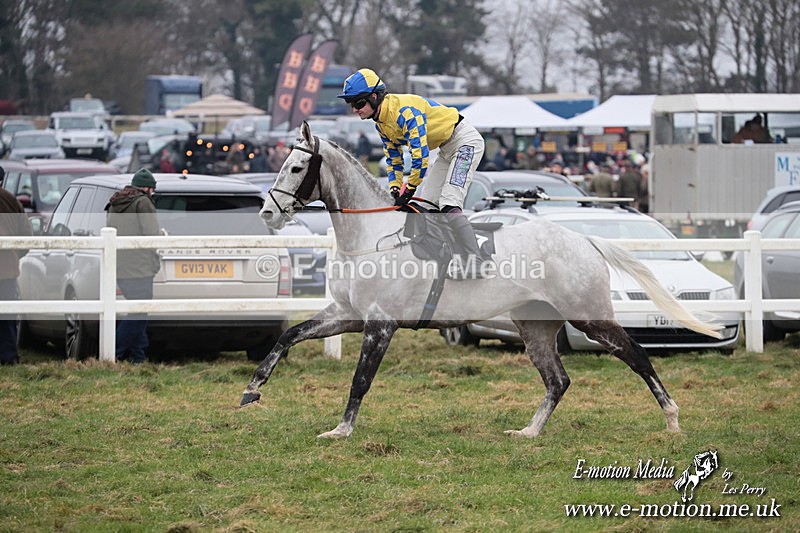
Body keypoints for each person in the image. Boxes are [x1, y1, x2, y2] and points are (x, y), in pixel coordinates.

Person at [337, 67, 488, 278]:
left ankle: (476, 262)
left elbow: (420, 155)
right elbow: (394, 159)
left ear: (374, 96)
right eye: (351, 104)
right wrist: (395, 188)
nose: (355, 109)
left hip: (466, 143)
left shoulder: (405, 112)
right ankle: (449, 254)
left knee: (449, 202)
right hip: (446, 149)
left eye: (359, 103)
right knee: (426, 204)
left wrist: (410, 187)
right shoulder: (381, 123)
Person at [105, 168, 161, 364]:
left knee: (138, 312)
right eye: (152, 189)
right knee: (140, 311)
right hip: (140, 267)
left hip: (119, 265)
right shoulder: (143, 202)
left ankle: (138, 357)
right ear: (146, 188)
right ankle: (114, 352)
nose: (153, 193)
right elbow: (152, 234)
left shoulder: (115, 203)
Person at [0, 167, 32, 365]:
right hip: (6, 269)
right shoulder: (12, 201)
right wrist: (14, 255)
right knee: (7, 315)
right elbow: (26, 236)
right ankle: (9, 356)